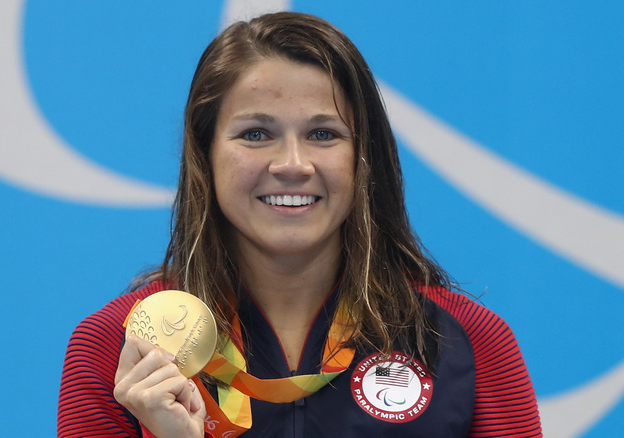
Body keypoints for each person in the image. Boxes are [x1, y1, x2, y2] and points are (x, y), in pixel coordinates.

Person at [58, 11, 542, 438]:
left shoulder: (467, 341)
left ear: (363, 158)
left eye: (322, 134)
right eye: (256, 134)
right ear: (205, 155)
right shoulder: (116, 348)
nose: (293, 163)